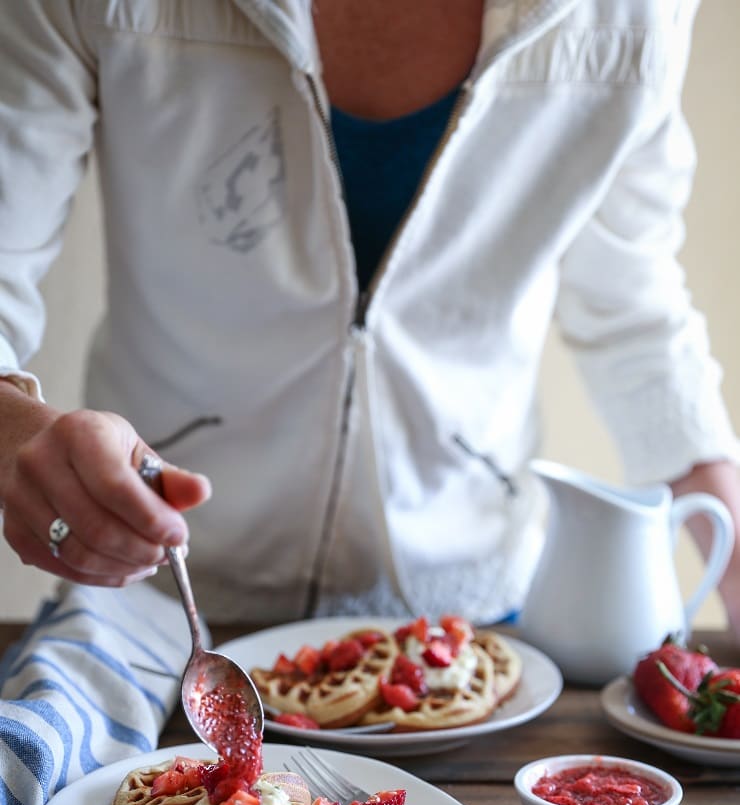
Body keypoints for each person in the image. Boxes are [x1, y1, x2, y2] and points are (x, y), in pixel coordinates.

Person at [1, 0, 739, 634]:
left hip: (469, 627)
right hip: (165, 609)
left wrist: (731, 553)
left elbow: (633, 303)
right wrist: (14, 430)